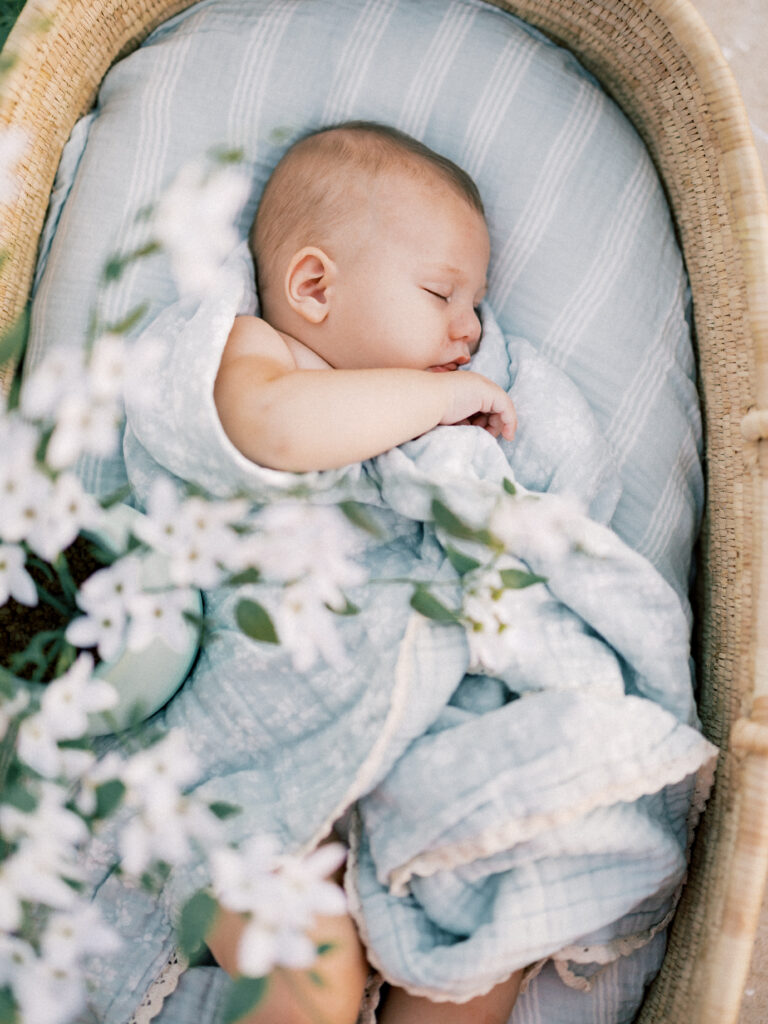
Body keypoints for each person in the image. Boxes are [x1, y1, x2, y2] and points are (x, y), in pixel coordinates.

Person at [210, 121, 521, 1024]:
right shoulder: (256, 355)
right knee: (308, 971)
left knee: (486, 940)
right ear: (313, 285)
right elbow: (278, 430)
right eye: (440, 292)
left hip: (415, 744)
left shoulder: (435, 426)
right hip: (258, 760)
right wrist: (444, 396)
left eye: (477, 305)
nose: (470, 328)